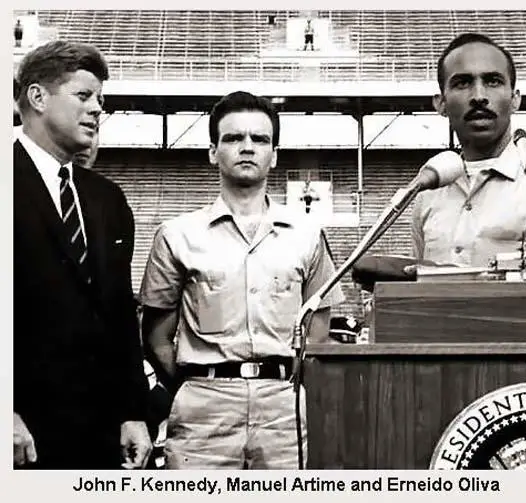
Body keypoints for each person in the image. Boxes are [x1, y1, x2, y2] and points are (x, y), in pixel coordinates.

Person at [139, 90, 344, 469]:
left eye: (259, 139)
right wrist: (199, 384)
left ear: (274, 154)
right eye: (233, 138)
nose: (247, 147)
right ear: (213, 152)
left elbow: (318, 333)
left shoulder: (307, 234)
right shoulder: (176, 234)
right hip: (203, 406)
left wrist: (288, 388)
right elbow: (155, 336)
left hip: (283, 406)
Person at [14, 40, 152, 469]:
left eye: (101, 101)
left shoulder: (108, 200)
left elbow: (119, 316)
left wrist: (133, 410)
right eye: (83, 96)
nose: (97, 109)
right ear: (38, 97)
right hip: (23, 430)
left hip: (99, 434)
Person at [411, 33, 526, 268]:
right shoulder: (427, 190)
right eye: (462, 83)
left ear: (515, 99)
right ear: (440, 103)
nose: (479, 96)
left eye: (493, 81)